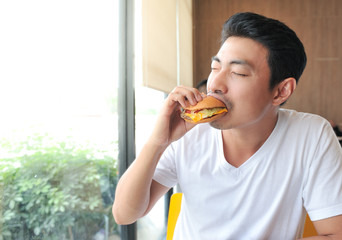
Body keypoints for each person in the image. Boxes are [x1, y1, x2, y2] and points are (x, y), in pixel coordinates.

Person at [113, 12, 342, 239]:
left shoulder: (312, 136)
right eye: (215, 68)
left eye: (238, 73)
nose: (215, 84)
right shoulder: (189, 132)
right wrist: (157, 142)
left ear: (281, 91)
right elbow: (124, 214)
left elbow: (335, 234)